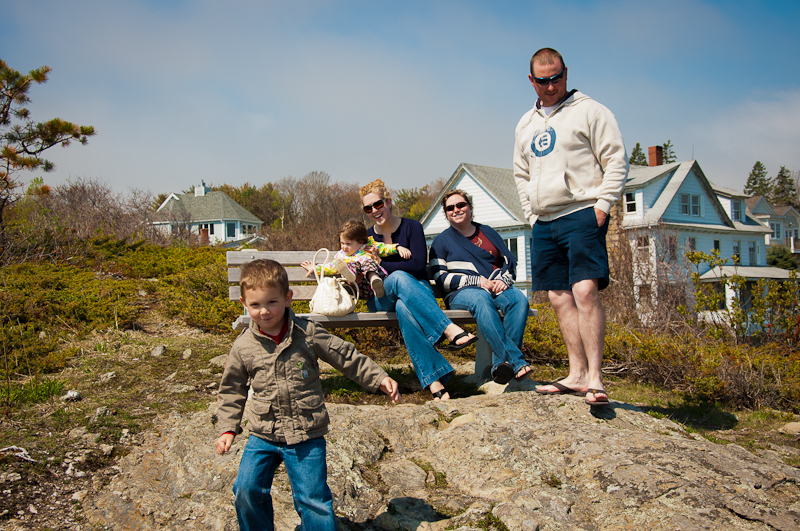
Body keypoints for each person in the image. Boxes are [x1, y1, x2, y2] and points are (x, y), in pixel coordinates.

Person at [214, 259, 401, 530]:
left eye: (272, 302)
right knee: (246, 490)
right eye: (255, 305)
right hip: (263, 434)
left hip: (307, 434)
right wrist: (228, 429)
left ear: (288, 298)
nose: (264, 311)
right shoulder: (243, 346)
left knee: (313, 499)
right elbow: (232, 388)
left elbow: (344, 355)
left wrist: (378, 377)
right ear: (244, 303)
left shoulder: (307, 332)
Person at [513, 47, 628, 406]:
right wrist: (532, 214)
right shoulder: (525, 124)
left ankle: (595, 377)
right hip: (544, 221)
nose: (551, 86)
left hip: (582, 213)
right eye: (543, 80)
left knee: (584, 292)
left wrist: (602, 207)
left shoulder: (591, 111)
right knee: (559, 297)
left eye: (557, 77)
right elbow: (520, 173)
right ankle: (576, 374)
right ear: (531, 81)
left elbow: (616, 160)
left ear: (566, 72)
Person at [360, 179, 478, 400]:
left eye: (378, 204)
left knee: (404, 307)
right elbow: (366, 268)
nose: (374, 211)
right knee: (397, 277)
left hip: (415, 291)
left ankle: (434, 381)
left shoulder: (412, 227)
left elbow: (417, 265)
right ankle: (449, 329)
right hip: (381, 296)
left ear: (388, 201)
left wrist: (381, 264)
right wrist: (389, 269)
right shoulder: (365, 238)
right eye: (368, 208)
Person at [429, 190, 533, 385]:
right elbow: (440, 277)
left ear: (470, 207)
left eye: (461, 205)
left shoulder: (488, 232)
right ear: (446, 213)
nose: (456, 210)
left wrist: (504, 280)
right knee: (481, 299)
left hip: (496, 287)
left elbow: (509, 263)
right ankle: (516, 362)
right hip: (462, 293)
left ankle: (501, 366)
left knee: (519, 300)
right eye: (450, 208)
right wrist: (476, 281)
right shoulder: (441, 241)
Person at [300, 219, 410, 300]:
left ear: (360, 242)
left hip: (379, 283)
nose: (344, 247)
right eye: (342, 243)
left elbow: (384, 247)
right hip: (360, 288)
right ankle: (350, 275)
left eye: (348, 244)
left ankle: (374, 280)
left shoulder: (368, 248)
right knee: (348, 265)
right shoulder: (342, 256)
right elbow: (332, 267)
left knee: (369, 261)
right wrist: (315, 268)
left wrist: (397, 247)